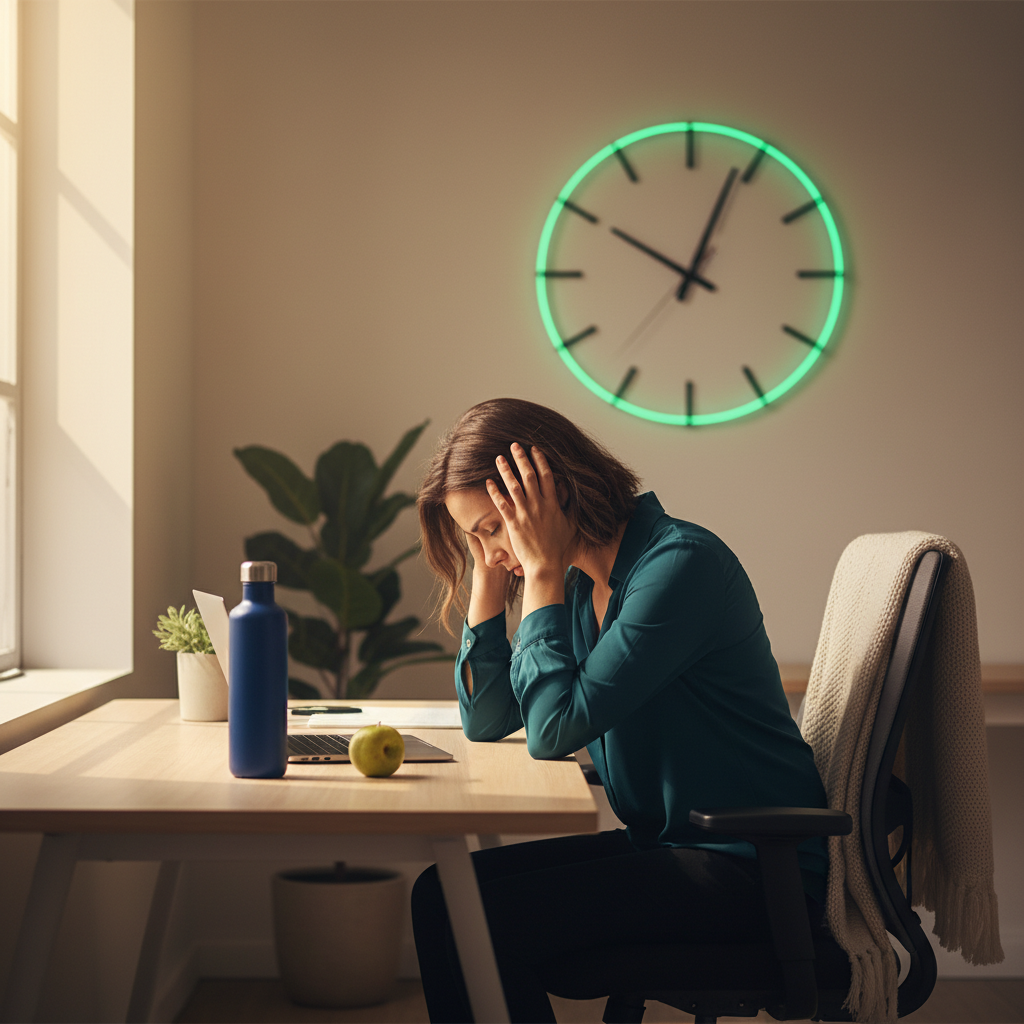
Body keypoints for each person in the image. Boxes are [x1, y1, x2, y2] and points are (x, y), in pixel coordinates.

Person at [413, 398, 828, 1024]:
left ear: (551, 491)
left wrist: (542, 570)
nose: (491, 551)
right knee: (440, 896)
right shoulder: (583, 585)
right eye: (476, 537)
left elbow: (551, 732)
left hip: (750, 870)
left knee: (487, 920)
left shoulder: (677, 566)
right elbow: (488, 717)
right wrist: (489, 575)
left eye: (493, 529)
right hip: (667, 845)